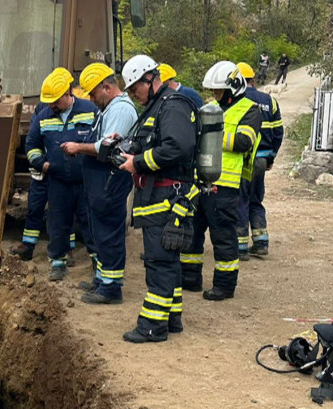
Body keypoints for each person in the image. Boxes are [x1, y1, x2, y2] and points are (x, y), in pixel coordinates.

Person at [116, 54, 198, 343]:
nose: (134, 96)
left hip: (166, 196)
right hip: (158, 195)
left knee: (159, 261)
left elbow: (177, 148)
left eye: (135, 89)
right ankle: (172, 318)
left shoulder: (173, 106)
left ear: (149, 79)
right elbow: (153, 142)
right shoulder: (157, 106)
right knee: (168, 260)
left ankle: (152, 326)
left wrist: (137, 163)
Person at [180, 61, 261, 302]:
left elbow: (244, 141)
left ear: (233, 88)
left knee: (223, 236)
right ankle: (189, 278)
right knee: (192, 231)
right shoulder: (211, 108)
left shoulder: (250, 109)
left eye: (219, 91)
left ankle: (225, 285)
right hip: (200, 180)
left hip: (225, 184)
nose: (215, 95)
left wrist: (212, 134)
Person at [59, 62, 137, 304]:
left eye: (93, 93)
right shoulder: (109, 108)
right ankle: (102, 279)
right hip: (100, 183)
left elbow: (107, 145)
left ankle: (111, 288)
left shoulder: (121, 110)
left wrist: (78, 147)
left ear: (106, 87)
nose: (91, 99)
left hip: (110, 181)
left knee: (110, 233)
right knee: (99, 232)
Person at [25, 67, 98, 281]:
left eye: (55, 100)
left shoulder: (90, 110)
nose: (51, 105)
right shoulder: (44, 116)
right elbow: (31, 144)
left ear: (68, 94)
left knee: (90, 222)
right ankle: (58, 263)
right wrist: (41, 164)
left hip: (86, 180)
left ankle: (97, 261)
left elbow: (104, 139)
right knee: (57, 223)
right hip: (57, 181)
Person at [11, 93, 77, 264]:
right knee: (34, 207)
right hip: (43, 171)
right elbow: (34, 139)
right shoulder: (42, 109)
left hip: (62, 173)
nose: (52, 105)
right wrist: (41, 163)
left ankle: (67, 249)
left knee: (64, 211)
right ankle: (28, 246)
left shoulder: (77, 109)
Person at [235, 62, 283, 259]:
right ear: (253, 79)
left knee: (240, 199)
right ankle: (261, 242)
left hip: (243, 160)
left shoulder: (236, 100)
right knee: (256, 199)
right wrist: (271, 157)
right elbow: (278, 132)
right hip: (262, 160)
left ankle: (240, 247)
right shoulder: (268, 100)